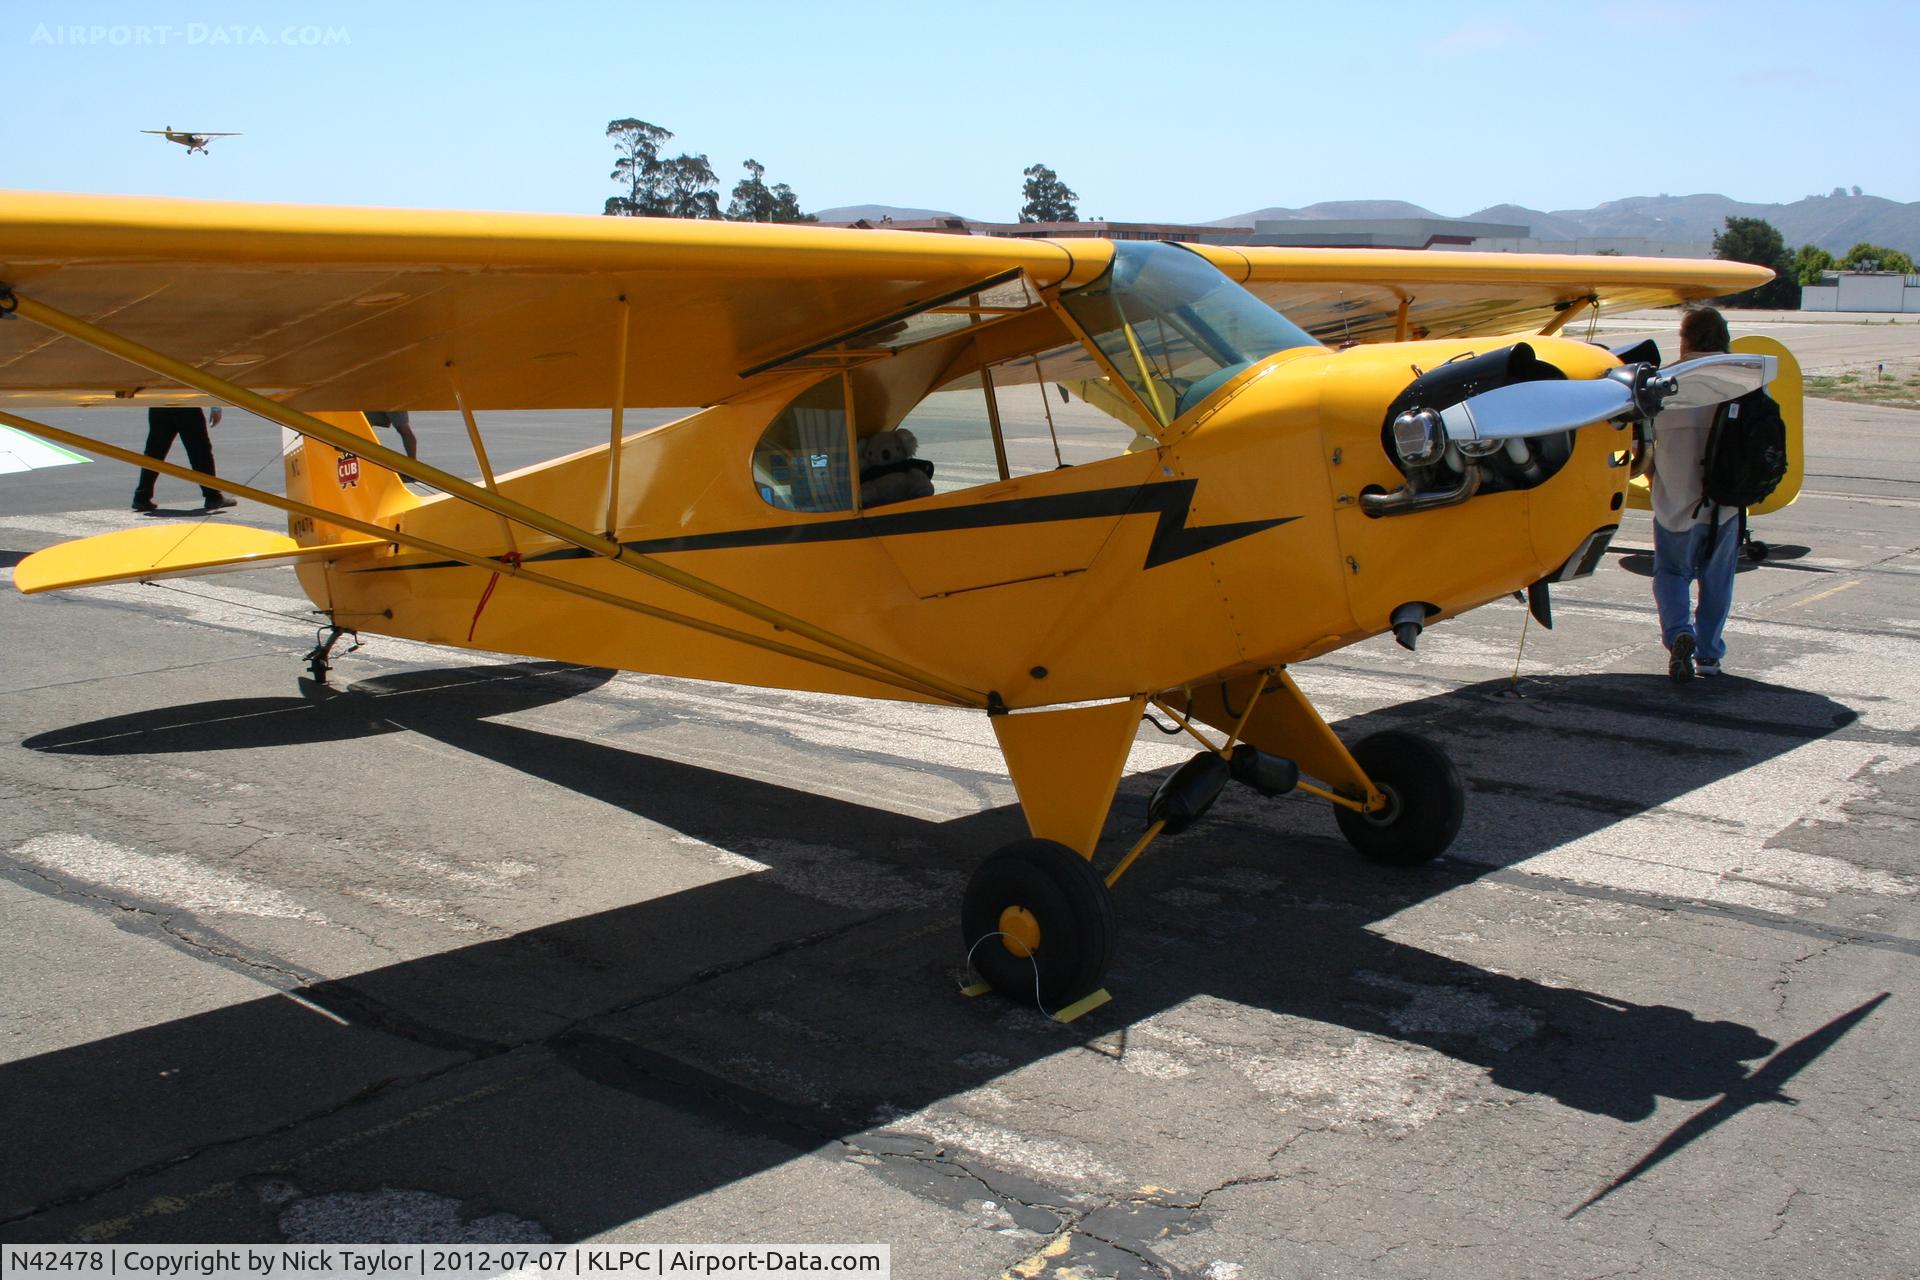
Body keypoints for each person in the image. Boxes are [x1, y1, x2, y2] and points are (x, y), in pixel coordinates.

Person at [1648, 306, 1738, 683]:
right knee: (1717, 580)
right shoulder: (1740, 379)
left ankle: (1678, 633)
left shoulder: (1663, 383)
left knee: (1671, 572)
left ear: (1685, 339)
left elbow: (1645, 449)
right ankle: (1709, 655)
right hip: (1727, 503)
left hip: (1674, 503)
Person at [131, 405, 234, 512]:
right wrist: (216, 408)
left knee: (155, 450)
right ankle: (212, 496)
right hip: (186, 403)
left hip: (159, 403)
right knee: (199, 451)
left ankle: (142, 496)